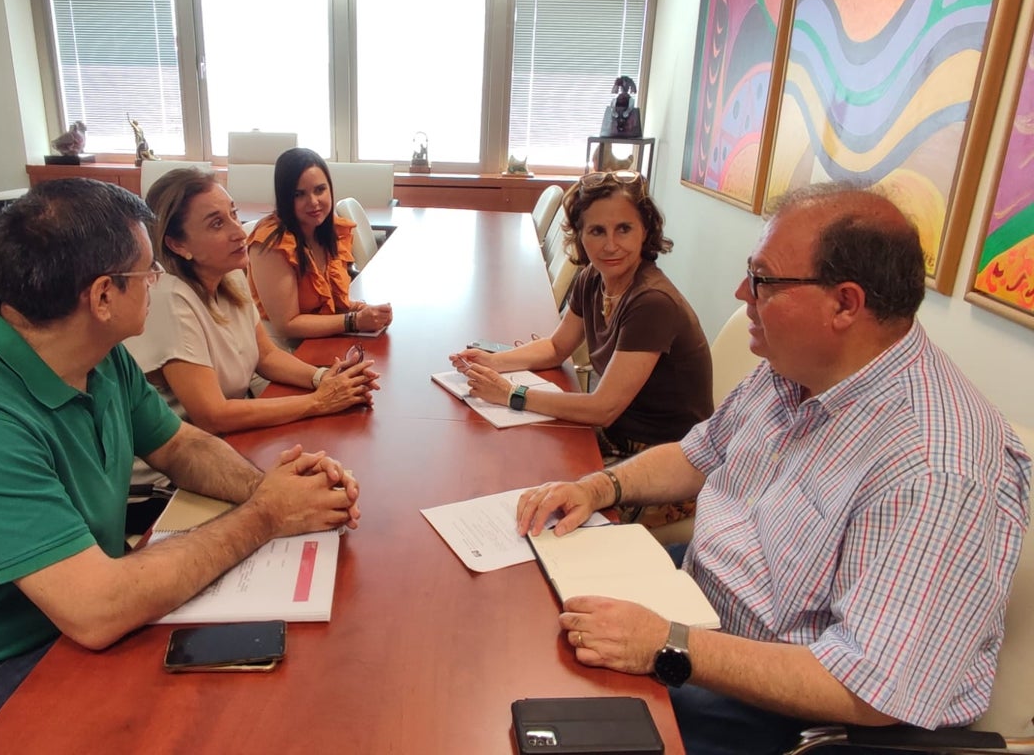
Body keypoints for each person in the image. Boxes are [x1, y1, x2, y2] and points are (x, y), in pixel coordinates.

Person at [515, 184, 1030, 755]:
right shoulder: (794, 365)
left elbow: (872, 688)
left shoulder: (934, 466)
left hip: (777, 706)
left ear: (845, 304)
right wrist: (599, 485)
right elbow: (696, 454)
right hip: (694, 600)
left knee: (541, 716)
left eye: (763, 280)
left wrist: (665, 642)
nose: (742, 294)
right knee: (525, 613)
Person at [0, 178, 360, 754]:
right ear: (102, 297)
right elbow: (98, 609)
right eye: (148, 273)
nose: (157, 283)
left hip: (62, 624)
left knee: (266, 690)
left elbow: (180, 447)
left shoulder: (97, 354)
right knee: (208, 728)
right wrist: (266, 516)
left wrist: (268, 489)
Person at [451, 170, 712, 526]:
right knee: (515, 464)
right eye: (596, 231)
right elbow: (558, 347)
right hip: (616, 436)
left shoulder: (652, 302)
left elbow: (602, 408)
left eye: (624, 228)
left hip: (663, 464)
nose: (610, 245)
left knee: (542, 508)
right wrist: (495, 362)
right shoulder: (593, 278)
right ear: (579, 235)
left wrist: (512, 394)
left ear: (645, 231)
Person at [124, 168, 380, 520]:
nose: (237, 232)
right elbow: (212, 415)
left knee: (334, 475)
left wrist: (325, 378)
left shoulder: (229, 273)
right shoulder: (169, 298)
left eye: (233, 213)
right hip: (168, 483)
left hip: (225, 449)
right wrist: (318, 402)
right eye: (216, 224)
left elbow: (267, 356)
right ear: (177, 244)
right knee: (310, 503)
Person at [247, 147, 392, 346]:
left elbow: (328, 303)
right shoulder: (271, 242)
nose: (313, 202)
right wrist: (354, 321)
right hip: (283, 349)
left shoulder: (328, 228)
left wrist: (363, 310)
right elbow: (287, 324)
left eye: (319, 190)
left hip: (323, 339)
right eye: (299, 194)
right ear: (284, 197)